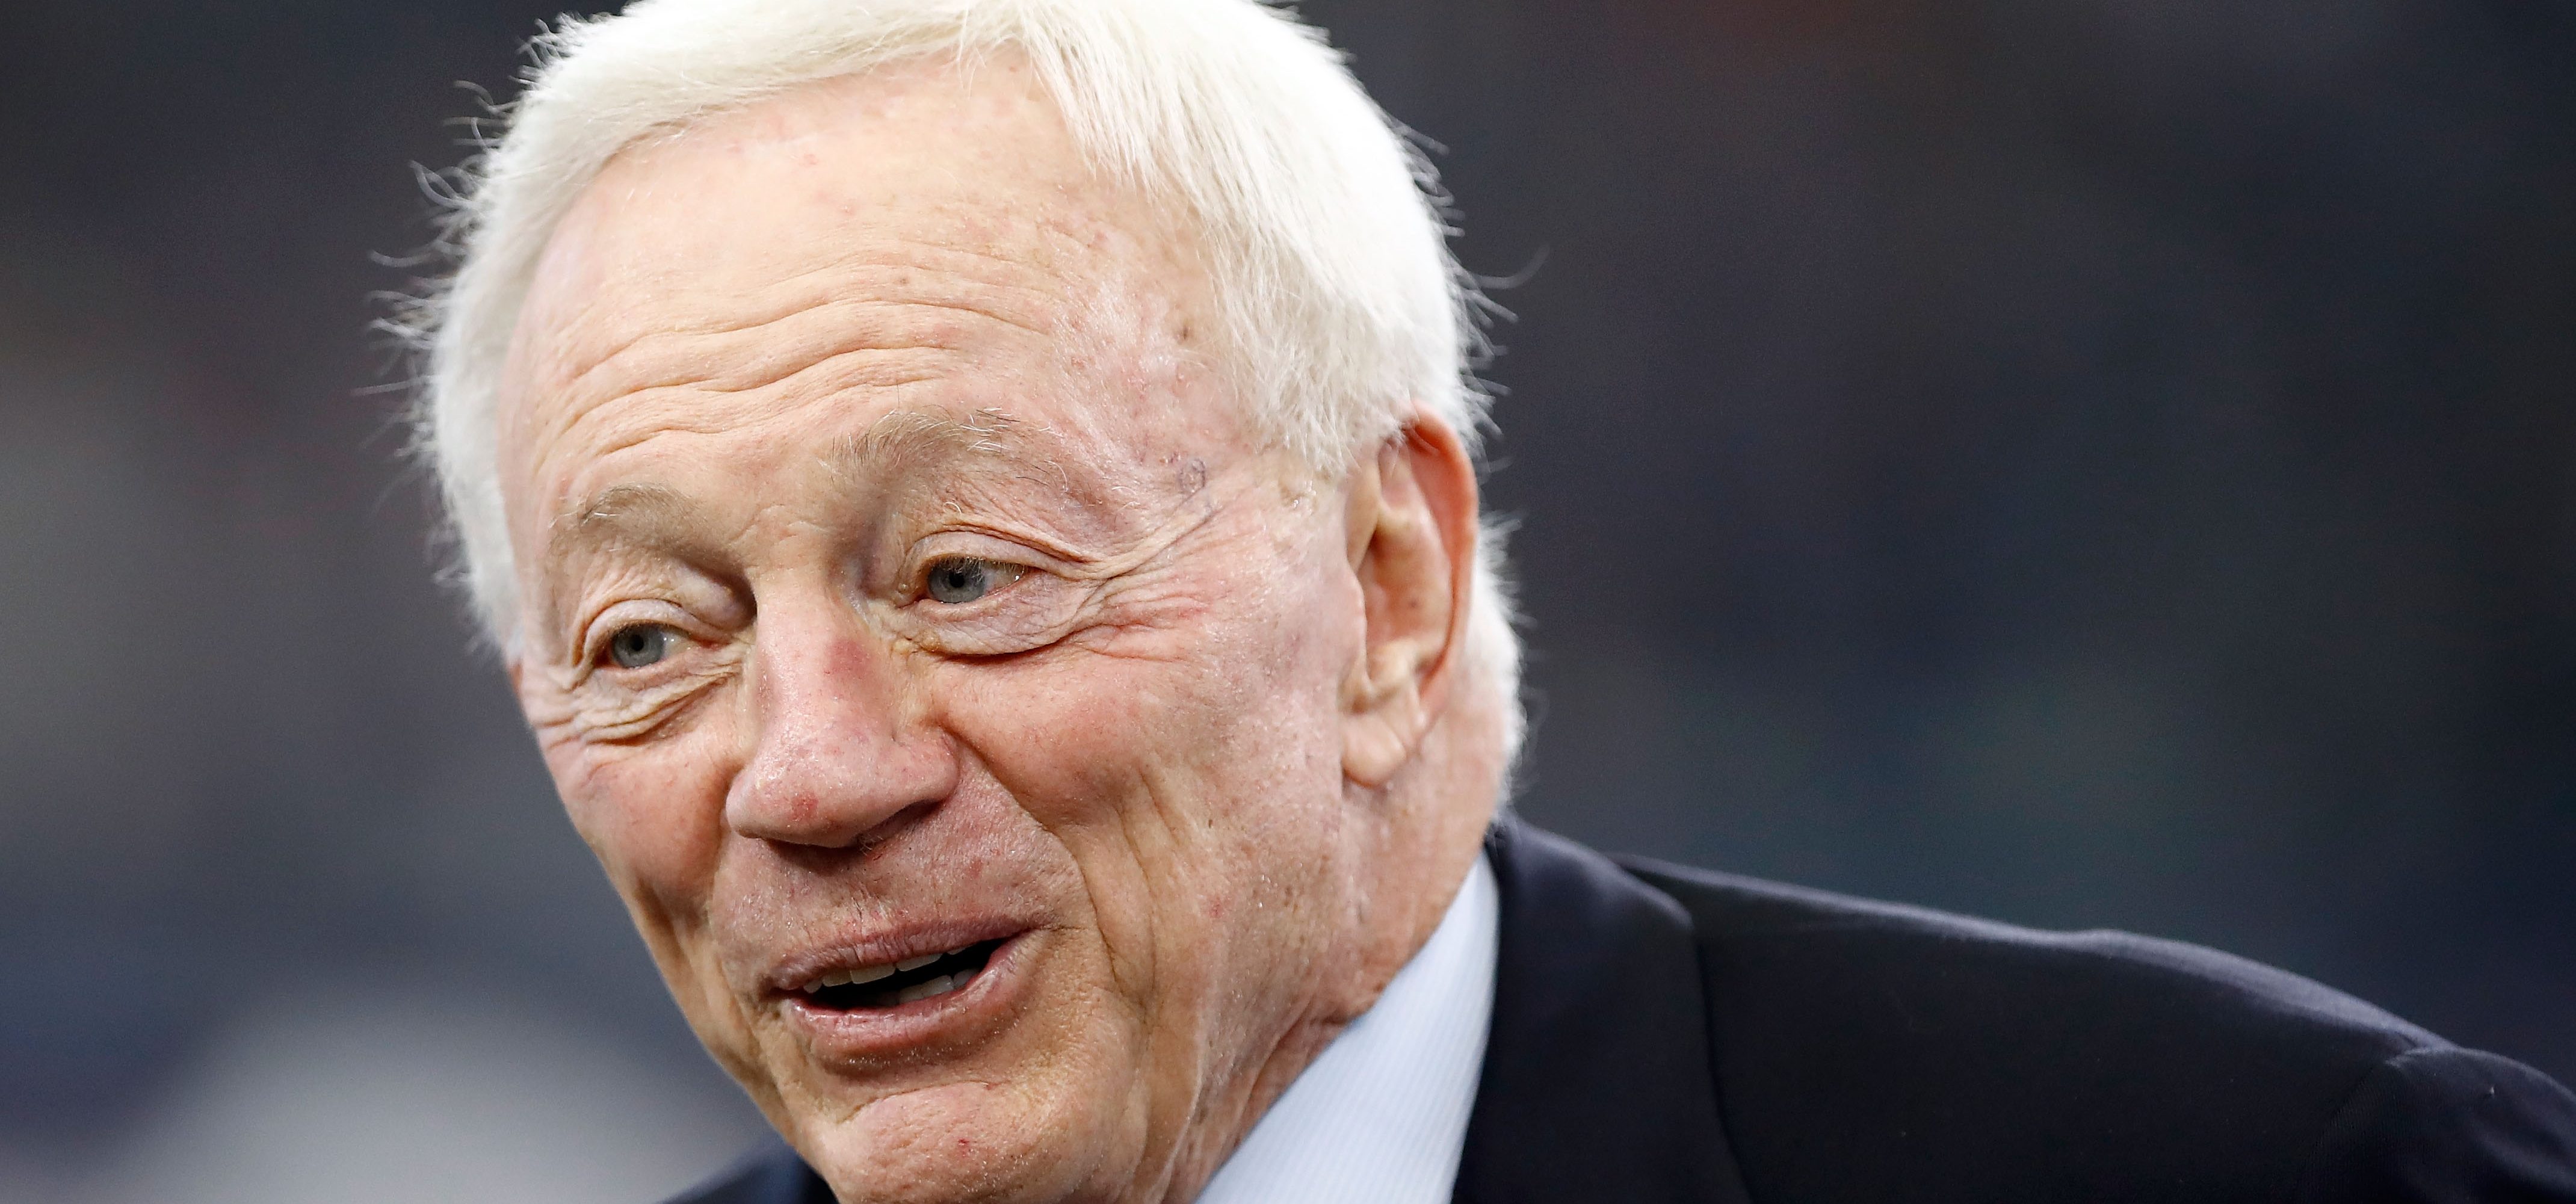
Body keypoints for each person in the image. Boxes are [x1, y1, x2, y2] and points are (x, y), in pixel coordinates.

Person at [394, 1, 2576, 1200]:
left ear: (1387, 583)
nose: (809, 773)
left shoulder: (2269, 1185)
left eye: (967, 575)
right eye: (651, 641)